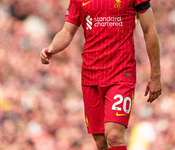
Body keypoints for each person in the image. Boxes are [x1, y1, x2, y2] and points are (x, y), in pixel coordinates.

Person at [40, 0, 162, 149]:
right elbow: (67, 31)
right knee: (101, 141)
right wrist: (52, 48)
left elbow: (149, 29)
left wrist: (155, 76)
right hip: (90, 76)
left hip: (121, 73)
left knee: (114, 135)